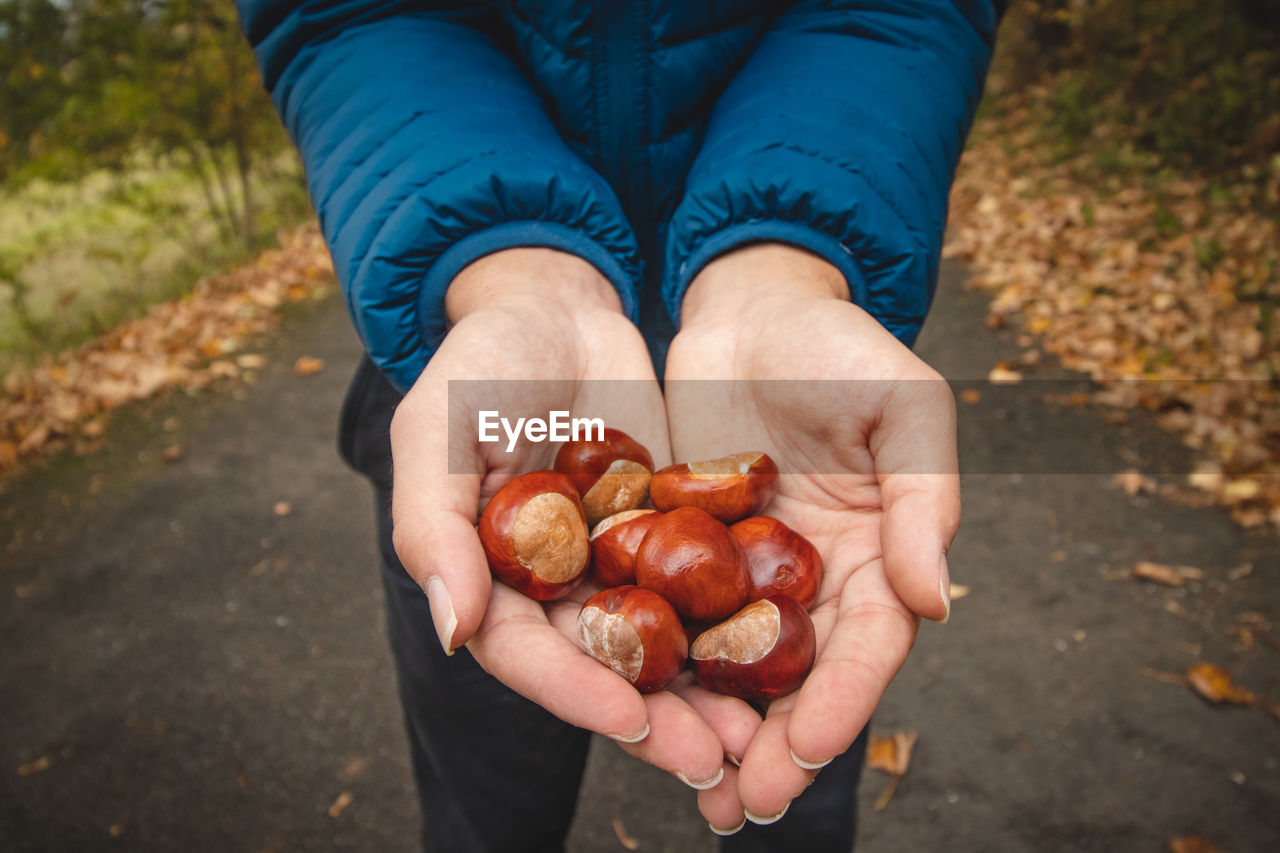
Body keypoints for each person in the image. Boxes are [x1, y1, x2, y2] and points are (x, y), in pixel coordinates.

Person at [235, 2, 1002, 849]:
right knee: (488, 799)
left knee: (789, 787)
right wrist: (506, 268)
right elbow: (346, 17)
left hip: (766, 351)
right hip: (502, 377)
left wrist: (788, 262)